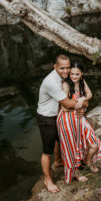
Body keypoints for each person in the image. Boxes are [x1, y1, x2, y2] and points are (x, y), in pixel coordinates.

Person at [37, 54, 85, 193]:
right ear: (55, 67)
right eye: (62, 68)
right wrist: (83, 104)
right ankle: (48, 179)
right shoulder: (51, 82)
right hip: (46, 118)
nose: (66, 71)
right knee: (47, 151)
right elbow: (68, 103)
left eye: (68, 67)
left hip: (57, 115)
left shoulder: (65, 78)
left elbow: (77, 93)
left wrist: (82, 104)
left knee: (60, 140)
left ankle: (58, 161)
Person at [57, 60, 101, 184]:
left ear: (82, 74)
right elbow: (63, 107)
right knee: (71, 148)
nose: (73, 76)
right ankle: (74, 172)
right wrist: (83, 105)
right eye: (71, 74)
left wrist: (83, 98)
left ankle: (87, 162)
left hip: (79, 118)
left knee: (93, 144)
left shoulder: (82, 82)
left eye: (77, 74)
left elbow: (90, 94)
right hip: (67, 120)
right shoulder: (66, 85)